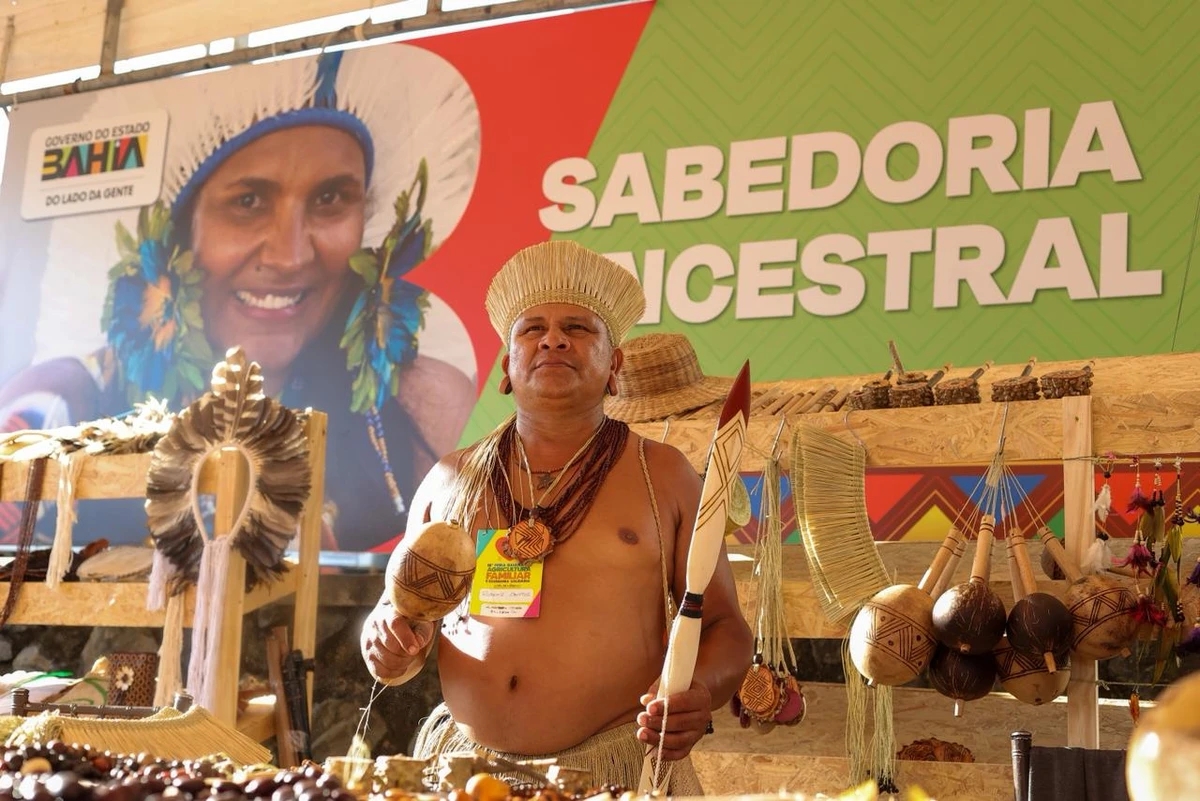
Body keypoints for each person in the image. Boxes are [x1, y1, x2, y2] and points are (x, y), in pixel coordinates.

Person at [0, 46, 480, 552]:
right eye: (248, 202)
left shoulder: (421, 404)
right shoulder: (58, 406)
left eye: (330, 199)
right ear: (181, 234)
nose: (291, 256)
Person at [360, 240, 754, 793]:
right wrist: (385, 638)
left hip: (613, 770)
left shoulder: (662, 475)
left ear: (615, 366)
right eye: (532, 329)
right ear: (506, 367)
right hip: (468, 773)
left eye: (578, 327)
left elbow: (726, 629)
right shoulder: (449, 479)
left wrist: (701, 690)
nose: (553, 339)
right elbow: (396, 615)